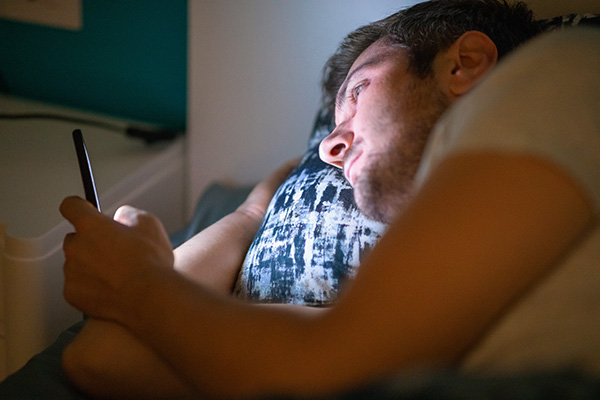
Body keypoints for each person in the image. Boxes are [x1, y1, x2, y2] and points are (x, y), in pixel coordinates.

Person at [57, 1, 599, 398]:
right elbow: (102, 358)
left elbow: (314, 368)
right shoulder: (391, 311)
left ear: (465, 63)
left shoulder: (564, 75)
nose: (330, 149)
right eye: (332, 126)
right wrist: (251, 214)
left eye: (359, 91)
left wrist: (136, 283)